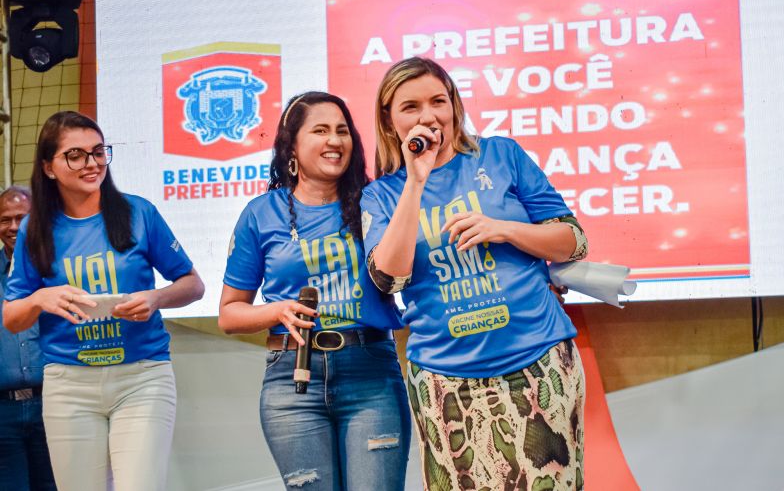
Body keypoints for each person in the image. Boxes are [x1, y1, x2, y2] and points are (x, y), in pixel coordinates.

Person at [361, 57, 590, 490]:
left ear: (454, 105)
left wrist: (504, 229)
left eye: (438, 101)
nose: (429, 116)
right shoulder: (381, 195)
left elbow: (574, 240)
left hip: (538, 362)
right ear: (390, 122)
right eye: (411, 107)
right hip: (445, 380)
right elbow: (389, 279)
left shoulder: (501, 155)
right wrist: (415, 181)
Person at [2, 111, 205, 491]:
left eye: (98, 151)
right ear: (48, 167)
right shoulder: (35, 228)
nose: (92, 163)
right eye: (75, 155)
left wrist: (156, 297)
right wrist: (40, 298)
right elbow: (12, 317)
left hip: (142, 377)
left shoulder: (138, 212)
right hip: (68, 383)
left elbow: (193, 284)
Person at [219, 92, 411, 491]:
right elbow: (230, 313)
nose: (335, 140)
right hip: (292, 380)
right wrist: (277, 311)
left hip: (371, 374)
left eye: (342, 131)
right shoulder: (261, 213)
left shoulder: (377, 201)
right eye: (320, 130)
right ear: (291, 146)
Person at [0, 186, 57, 491]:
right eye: (5, 219)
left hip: (52, 404)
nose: (13, 227)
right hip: (3, 413)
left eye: (21, 218)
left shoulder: (58, 271)